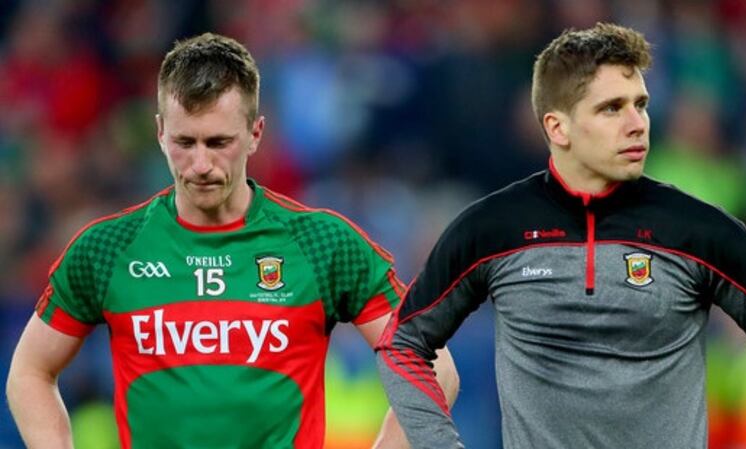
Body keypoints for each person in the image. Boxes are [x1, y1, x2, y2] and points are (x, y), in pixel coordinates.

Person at [6, 33, 458, 449]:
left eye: (218, 141)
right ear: (161, 132)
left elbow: (434, 366)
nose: (200, 163)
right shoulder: (107, 248)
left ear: (255, 134)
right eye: (185, 142)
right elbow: (29, 372)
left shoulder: (322, 242)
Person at [376, 22, 746, 449]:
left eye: (642, 104)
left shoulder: (698, 229)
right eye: (612, 108)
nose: (637, 124)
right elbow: (404, 343)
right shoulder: (492, 228)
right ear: (557, 128)